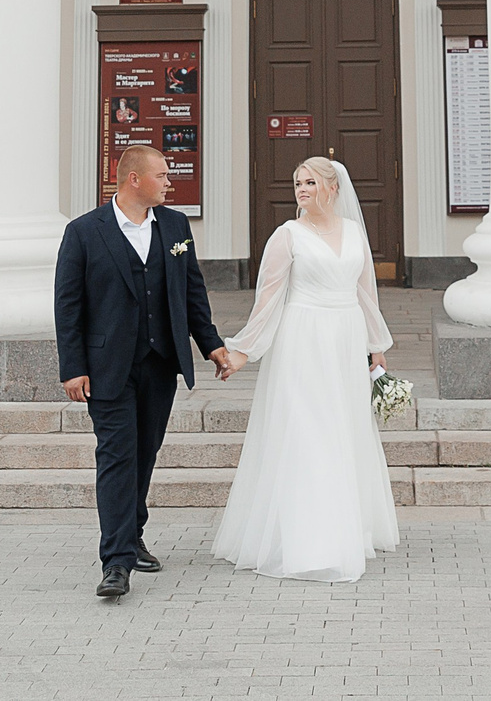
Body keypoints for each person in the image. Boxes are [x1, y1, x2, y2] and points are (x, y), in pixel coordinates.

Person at [54, 142, 233, 601]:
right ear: (134, 179)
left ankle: (132, 535)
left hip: (159, 362)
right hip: (106, 366)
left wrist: (211, 345)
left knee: (144, 452)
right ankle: (115, 561)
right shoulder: (84, 232)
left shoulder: (174, 226)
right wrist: (72, 368)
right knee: (116, 455)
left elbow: (193, 292)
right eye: (162, 175)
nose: (169, 182)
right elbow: (67, 305)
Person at [211, 156, 399, 583]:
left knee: (342, 429)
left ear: (333, 187)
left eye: (311, 182)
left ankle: (348, 526)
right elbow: (268, 299)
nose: (302, 189)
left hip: (346, 336)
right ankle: (309, 540)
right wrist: (244, 351)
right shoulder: (287, 236)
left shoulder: (354, 232)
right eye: (298, 183)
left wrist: (377, 347)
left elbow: (366, 293)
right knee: (308, 431)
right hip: (303, 339)